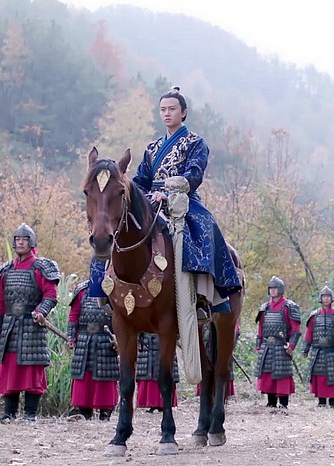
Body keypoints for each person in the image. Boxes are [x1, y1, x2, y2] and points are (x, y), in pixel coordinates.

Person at [88, 86, 242, 313]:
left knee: (204, 228)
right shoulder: (153, 147)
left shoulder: (195, 142)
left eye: (172, 109)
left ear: (183, 112)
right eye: (163, 109)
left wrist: (170, 195)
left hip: (184, 199)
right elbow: (141, 179)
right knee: (111, 228)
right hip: (150, 200)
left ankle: (203, 296)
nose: (167, 113)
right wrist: (140, 196)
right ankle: (102, 291)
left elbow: (194, 174)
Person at [0, 223, 60, 422]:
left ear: (32, 243)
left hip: (32, 325)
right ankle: (9, 413)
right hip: (10, 325)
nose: (21, 243)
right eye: (18, 239)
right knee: (9, 369)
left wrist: (41, 311)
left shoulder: (41, 268)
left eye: (25, 240)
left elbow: (50, 295)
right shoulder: (6, 270)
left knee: (31, 369)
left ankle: (30, 414)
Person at [67, 280, 118, 421]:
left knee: (105, 375)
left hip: (106, 339)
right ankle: (84, 412)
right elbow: (74, 315)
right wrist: (71, 336)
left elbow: (120, 315)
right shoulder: (82, 289)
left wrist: (119, 338)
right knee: (84, 375)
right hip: (84, 339)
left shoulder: (114, 289)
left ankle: (105, 413)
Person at [255, 276, 302, 409]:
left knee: (282, 375)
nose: (272, 290)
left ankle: (283, 403)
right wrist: (258, 345)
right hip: (267, 346)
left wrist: (291, 345)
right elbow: (261, 329)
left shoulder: (289, 306)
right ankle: (271, 403)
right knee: (268, 375)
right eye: (271, 288)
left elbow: (296, 330)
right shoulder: (265, 307)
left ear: (280, 289)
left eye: (275, 288)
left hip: (281, 346)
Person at [301, 286, 334, 408]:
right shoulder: (314, 315)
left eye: (328, 296)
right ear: (321, 298)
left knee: (333, 376)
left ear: (332, 298)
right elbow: (309, 333)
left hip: (332, 350)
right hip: (318, 351)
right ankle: (321, 401)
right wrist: (305, 349)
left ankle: (333, 402)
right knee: (319, 376)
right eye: (324, 296)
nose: (326, 299)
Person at [135, 333, 179, 412]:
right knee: (148, 370)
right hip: (146, 337)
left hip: (164, 337)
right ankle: (152, 404)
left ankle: (163, 404)